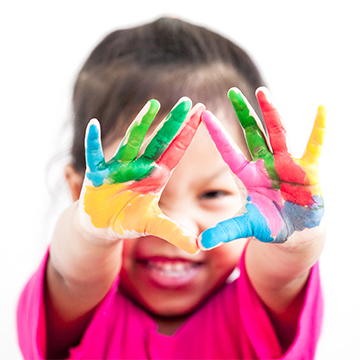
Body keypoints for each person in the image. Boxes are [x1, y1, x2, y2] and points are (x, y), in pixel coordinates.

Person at [17, 17, 326, 359]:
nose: (177, 225)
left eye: (212, 194)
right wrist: (87, 231)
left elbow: (282, 275)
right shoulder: (78, 308)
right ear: (80, 194)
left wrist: (298, 241)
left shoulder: (257, 314)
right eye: (145, 194)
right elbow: (73, 272)